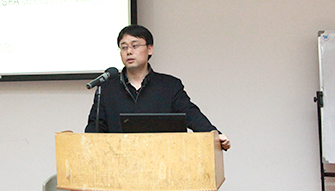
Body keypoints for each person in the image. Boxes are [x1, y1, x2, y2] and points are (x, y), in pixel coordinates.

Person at [84, 24, 231, 150]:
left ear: (150, 49)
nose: (129, 51)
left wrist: (214, 135)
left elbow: (191, 115)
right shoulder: (107, 89)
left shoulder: (169, 86)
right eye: (124, 47)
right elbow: (94, 128)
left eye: (135, 46)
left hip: (163, 162)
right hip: (118, 162)